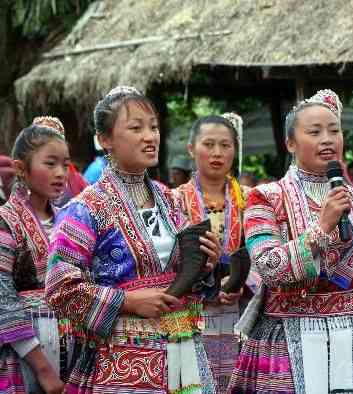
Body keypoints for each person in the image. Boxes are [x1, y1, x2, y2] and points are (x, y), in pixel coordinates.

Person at [228, 89, 353, 393]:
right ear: (290, 143)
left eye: (334, 130)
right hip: (285, 335)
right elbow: (268, 267)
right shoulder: (265, 198)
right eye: (314, 132)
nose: (327, 139)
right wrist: (323, 226)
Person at [46, 86, 222, 393]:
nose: (149, 136)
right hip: (120, 361)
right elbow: (60, 288)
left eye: (153, 127)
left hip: (183, 351)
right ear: (105, 140)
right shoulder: (85, 209)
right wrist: (127, 301)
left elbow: (187, 275)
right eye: (136, 127)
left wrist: (207, 262)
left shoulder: (170, 200)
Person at [173, 113, 249, 392]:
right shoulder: (173, 200)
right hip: (192, 310)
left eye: (226, 145)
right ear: (191, 149)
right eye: (209, 144)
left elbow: (265, 254)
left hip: (240, 309)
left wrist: (241, 284)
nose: (217, 153)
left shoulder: (251, 199)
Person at [0, 116, 69, 394]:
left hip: (72, 354)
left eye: (65, 164)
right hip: (24, 358)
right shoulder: (5, 220)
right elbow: (3, 296)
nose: (61, 173)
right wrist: (43, 369)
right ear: (20, 169)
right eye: (50, 164)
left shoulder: (70, 220)